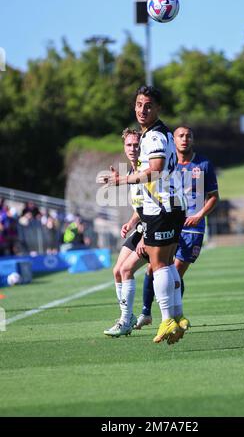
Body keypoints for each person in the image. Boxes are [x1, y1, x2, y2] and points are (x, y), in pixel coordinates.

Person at [97, 85, 187, 344]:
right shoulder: (158, 133)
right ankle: (177, 317)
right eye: (138, 104)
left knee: (158, 266)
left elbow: (156, 169)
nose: (142, 110)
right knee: (166, 264)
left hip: (162, 208)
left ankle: (167, 319)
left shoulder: (155, 136)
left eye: (148, 105)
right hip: (168, 206)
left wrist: (123, 179)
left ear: (157, 108)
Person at [135, 125, 219, 330]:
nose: (184, 139)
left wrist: (199, 215)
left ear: (193, 140)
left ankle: (174, 317)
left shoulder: (204, 164)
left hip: (192, 228)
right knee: (155, 268)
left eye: (188, 136)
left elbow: (214, 197)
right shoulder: (168, 165)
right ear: (174, 140)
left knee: (175, 273)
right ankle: (147, 312)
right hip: (169, 220)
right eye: (180, 136)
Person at [103, 128, 149, 337]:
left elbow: (157, 204)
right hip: (141, 227)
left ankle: (126, 320)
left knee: (126, 271)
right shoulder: (132, 171)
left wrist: (147, 234)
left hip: (155, 228)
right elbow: (140, 208)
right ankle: (127, 317)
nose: (133, 148)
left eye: (136, 144)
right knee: (116, 271)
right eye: (129, 145)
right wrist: (130, 222)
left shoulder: (147, 169)